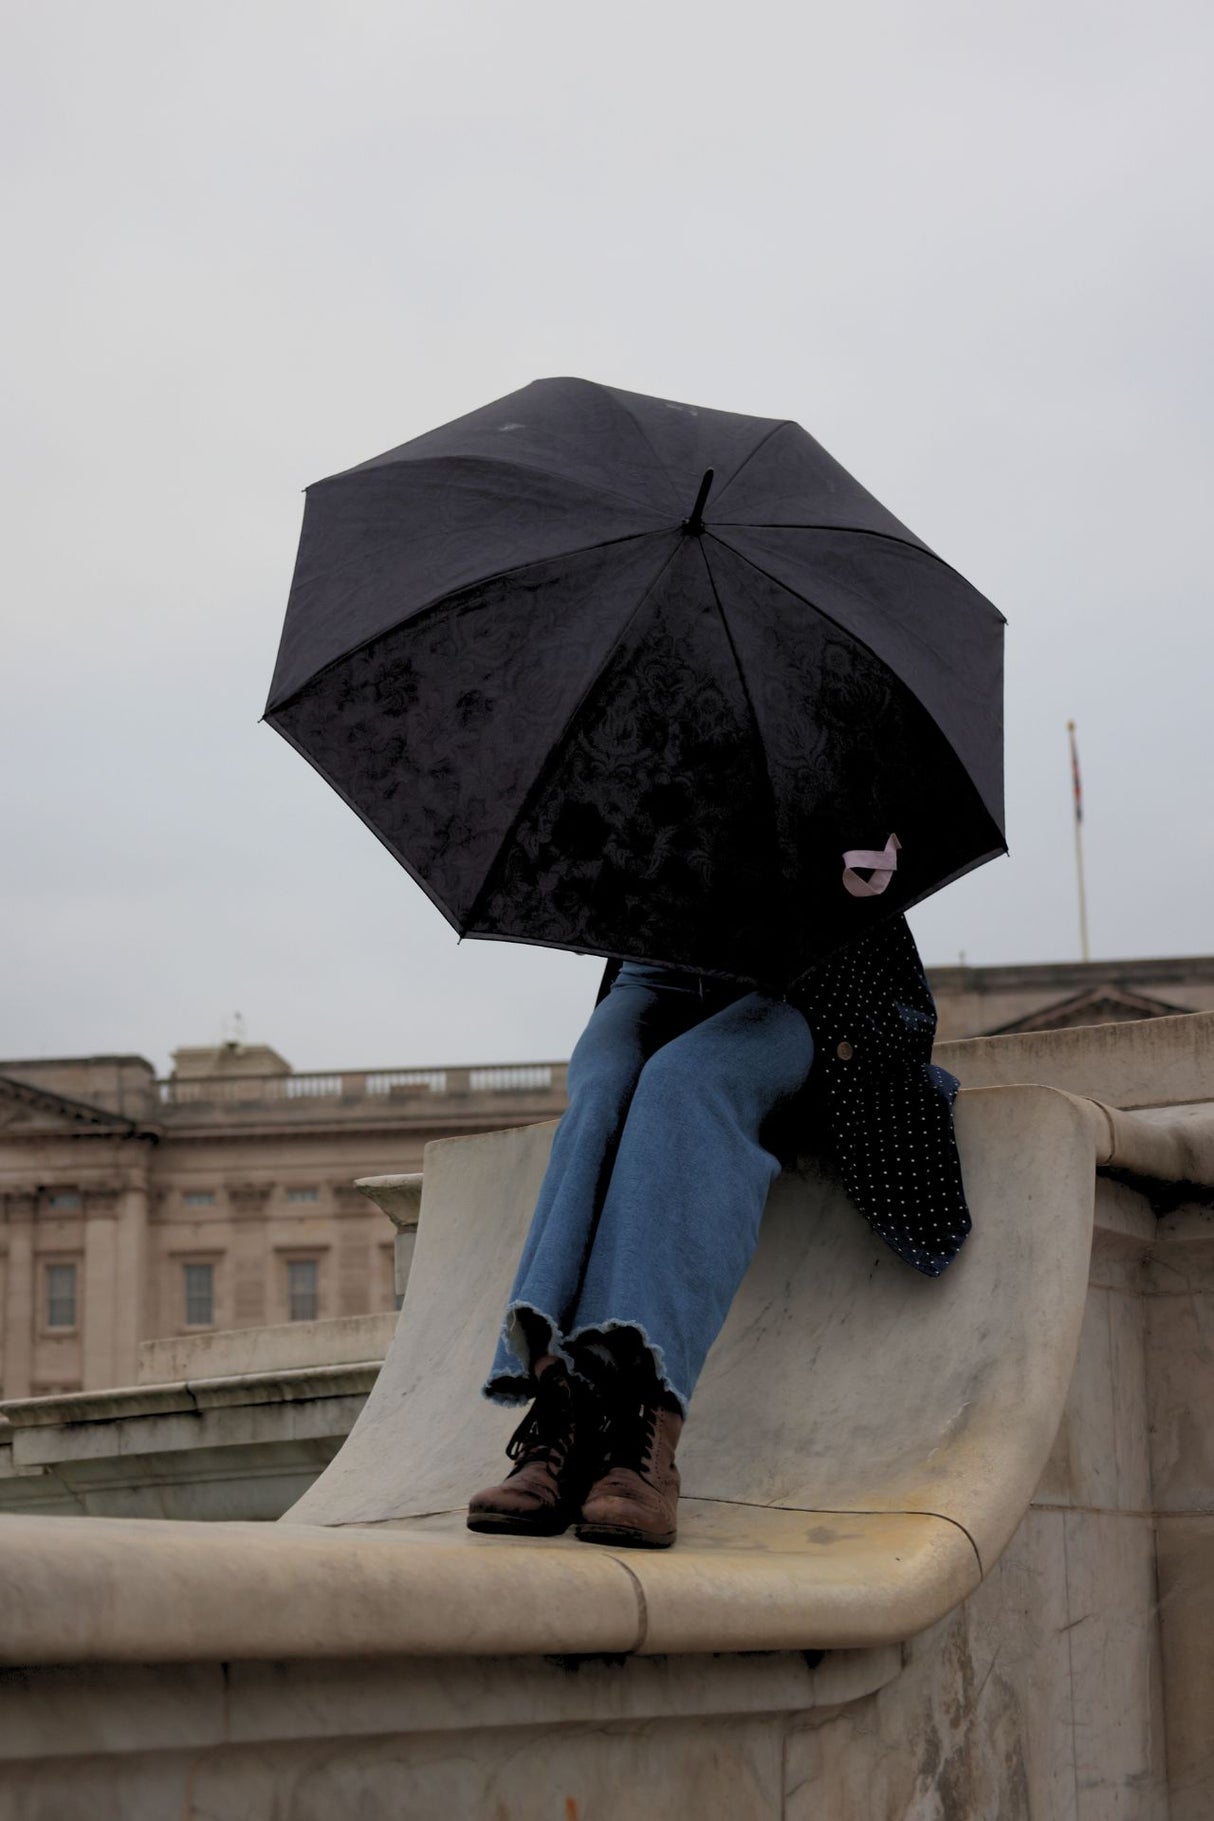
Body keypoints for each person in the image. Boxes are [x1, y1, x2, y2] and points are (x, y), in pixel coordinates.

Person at [467, 913, 972, 1549]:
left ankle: (645, 1424)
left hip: (797, 986)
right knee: (598, 1095)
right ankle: (561, 1409)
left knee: (683, 1081)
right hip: (654, 972)